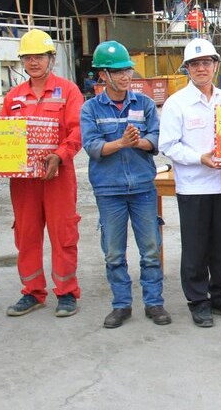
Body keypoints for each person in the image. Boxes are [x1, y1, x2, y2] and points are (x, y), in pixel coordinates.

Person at [80, 41, 171, 329]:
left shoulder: (143, 104)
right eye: (117, 72)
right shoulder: (90, 109)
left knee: (150, 248)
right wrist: (121, 142)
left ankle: (154, 302)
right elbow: (92, 147)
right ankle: (121, 305)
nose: (125, 76)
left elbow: (155, 139)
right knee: (114, 252)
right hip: (110, 191)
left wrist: (139, 142)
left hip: (143, 188)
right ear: (103, 75)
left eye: (127, 70)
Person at [159, 38, 221, 328]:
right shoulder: (176, 104)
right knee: (195, 247)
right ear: (187, 68)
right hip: (194, 186)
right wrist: (200, 158)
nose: (201, 68)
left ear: (215, 65)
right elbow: (168, 146)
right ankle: (198, 301)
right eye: (194, 64)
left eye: (206, 62)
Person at [0, 29, 83, 318]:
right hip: (24, 182)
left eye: (39, 56)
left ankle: (66, 292)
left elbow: (77, 130)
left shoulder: (68, 91)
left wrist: (60, 156)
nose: (34, 62)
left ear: (51, 57)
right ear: (22, 61)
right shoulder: (13, 98)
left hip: (58, 176)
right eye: (28, 57)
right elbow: (0, 136)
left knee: (63, 233)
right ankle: (33, 292)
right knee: (26, 234)